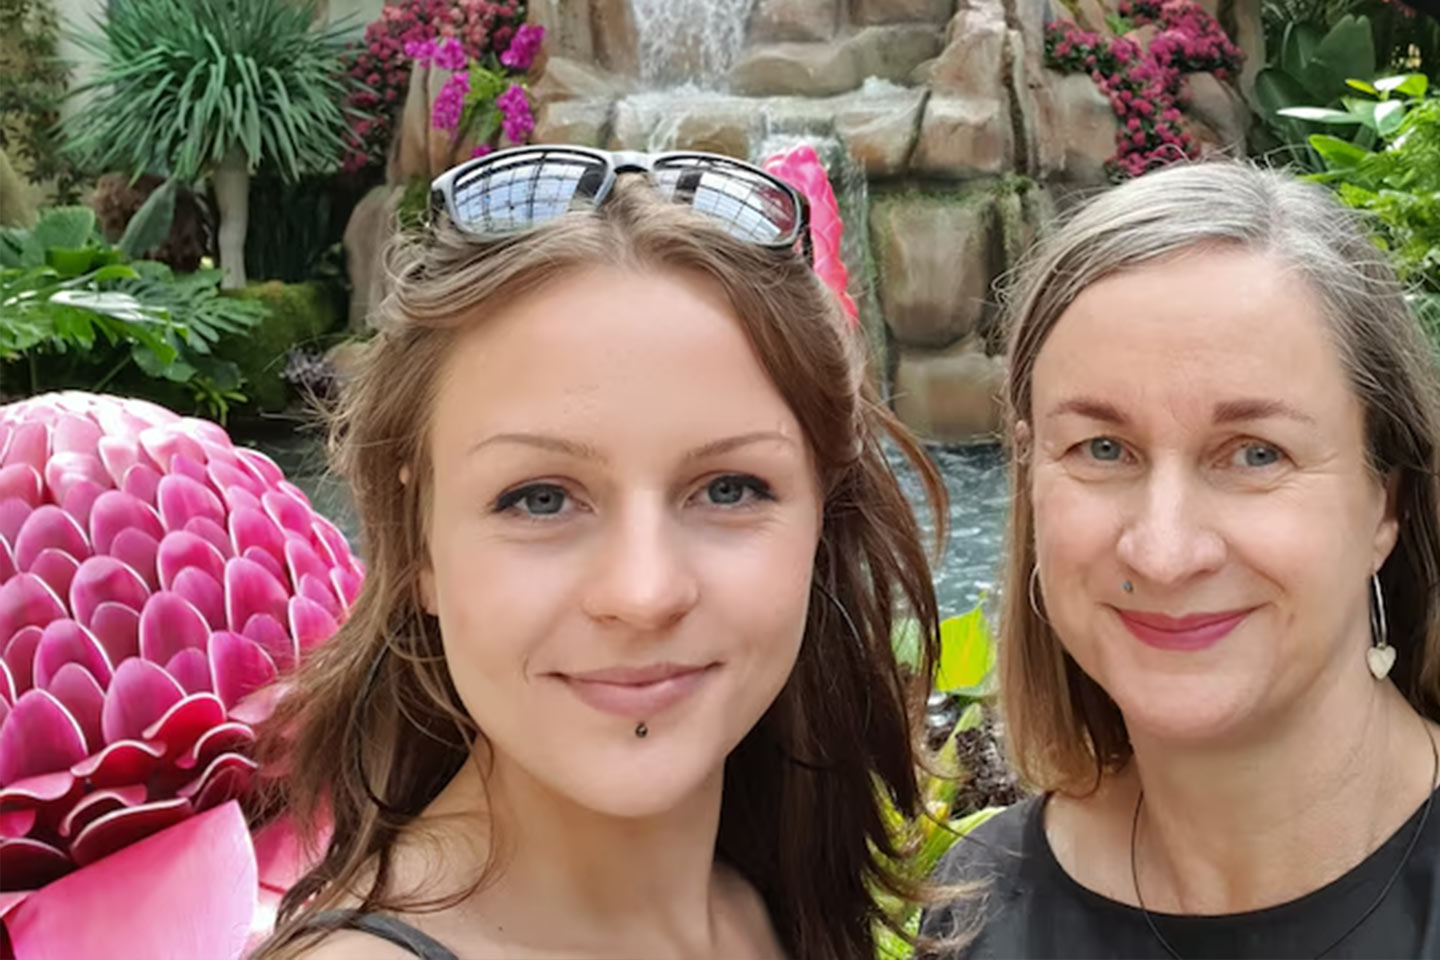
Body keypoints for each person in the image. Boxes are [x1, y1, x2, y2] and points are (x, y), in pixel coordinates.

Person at [249, 146, 947, 960]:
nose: (644, 592)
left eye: (730, 489)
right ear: (419, 545)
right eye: (539, 498)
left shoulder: (774, 896)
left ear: (822, 518)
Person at [922, 160, 1440, 958]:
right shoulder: (982, 910)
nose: (1164, 552)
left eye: (1256, 454)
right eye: (1103, 448)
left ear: (1386, 503)